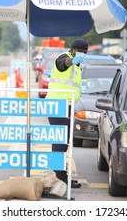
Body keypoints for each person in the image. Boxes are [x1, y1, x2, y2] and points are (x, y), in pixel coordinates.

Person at [46, 38, 89, 189]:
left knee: (64, 142)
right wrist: (72, 60)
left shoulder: (77, 65)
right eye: (80, 52)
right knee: (60, 141)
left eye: (84, 52)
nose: (82, 54)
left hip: (67, 105)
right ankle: (60, 177)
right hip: (57, 105)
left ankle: (61, 175)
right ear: (72, 49)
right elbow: (63, 64)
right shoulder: (64, 58)